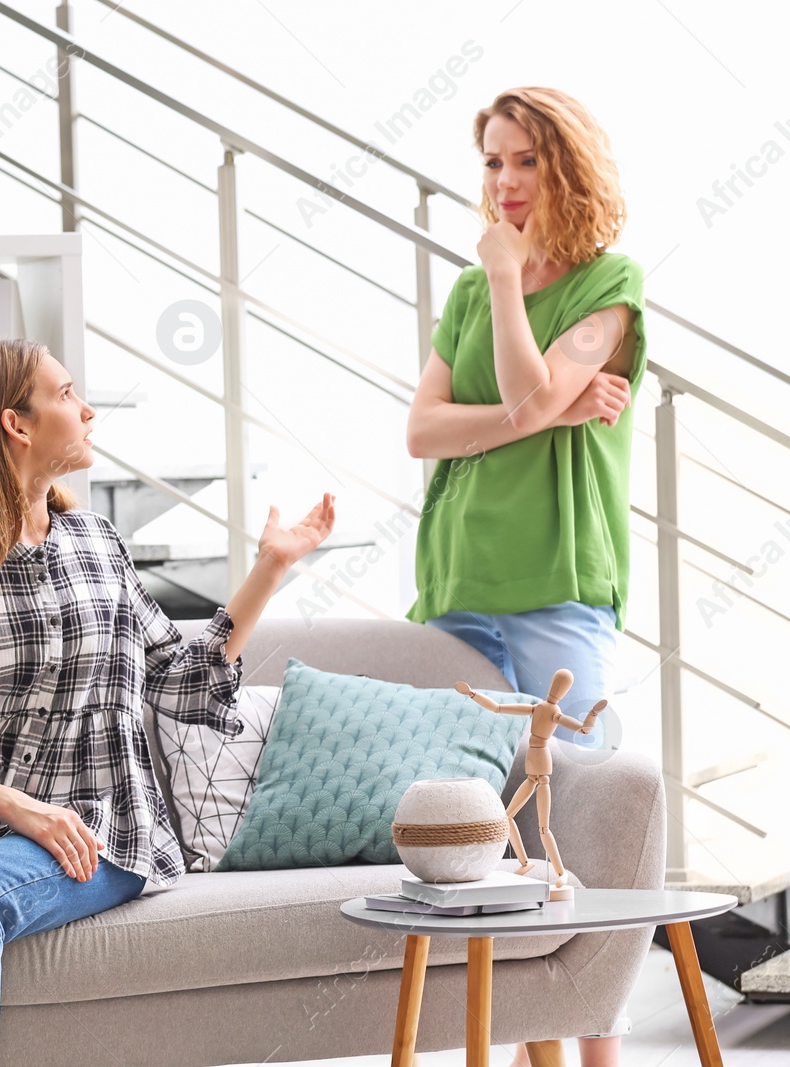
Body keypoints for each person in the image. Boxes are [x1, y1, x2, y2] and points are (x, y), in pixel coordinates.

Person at [0, 338, 335, 1067]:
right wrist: (19, 808)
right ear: (16, 424)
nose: (86, 411)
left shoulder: (97, 543)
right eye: (67, 393)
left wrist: (270, 566)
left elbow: (178, 678)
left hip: (96, 822)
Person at [406, 87, 646, 1067]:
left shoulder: (608, 282)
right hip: (455, 582)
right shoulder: (464, 293)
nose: (502, 183)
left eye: (523, 162)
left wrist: (509, 290)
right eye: (492, 163)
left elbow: (513, 390)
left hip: (553, 585)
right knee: (471, 836)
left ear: (566, 169)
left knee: (575, 825)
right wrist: (548, 405)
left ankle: (596, 1054)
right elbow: (421, 431)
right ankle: (522, 1046)